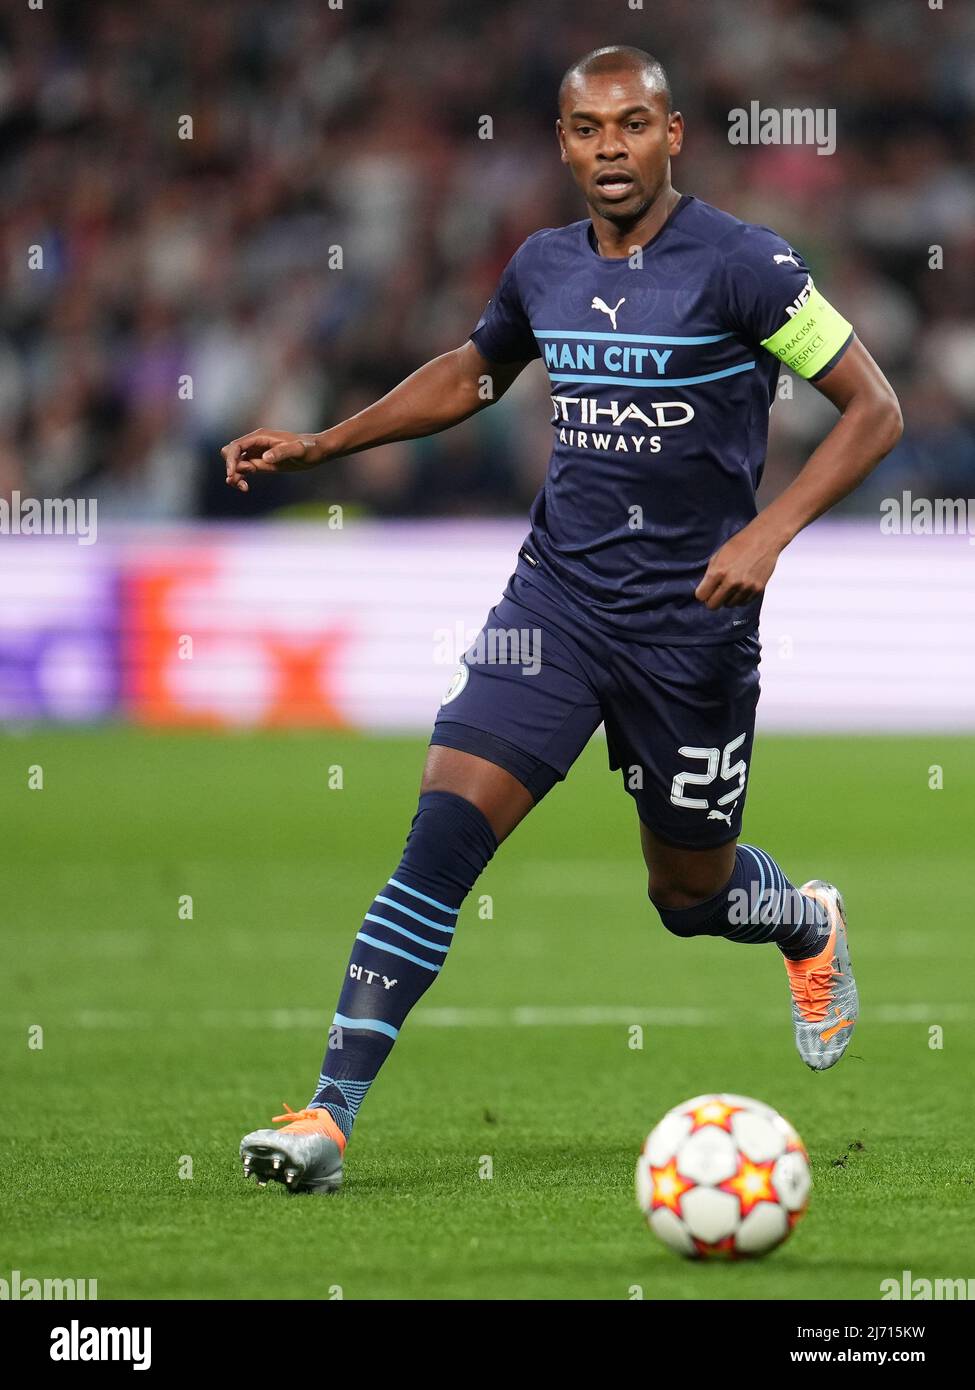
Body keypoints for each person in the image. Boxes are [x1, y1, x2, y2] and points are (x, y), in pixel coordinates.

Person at [223, 46, 902, 1195]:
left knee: (688, 897)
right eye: (589, 130)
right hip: (555, 606)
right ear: (563, 143)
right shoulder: (542, 266)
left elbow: (872, 408)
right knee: (439, 840)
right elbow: (476, 372)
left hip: (692, 627)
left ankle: (801, 919)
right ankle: (327, 1115)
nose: (611, 150)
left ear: (672, 135)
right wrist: (326, 442)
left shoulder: (747, 267)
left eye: (633, 125)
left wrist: (767, 532)